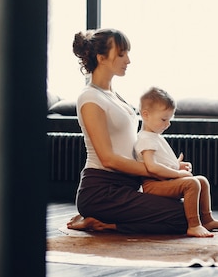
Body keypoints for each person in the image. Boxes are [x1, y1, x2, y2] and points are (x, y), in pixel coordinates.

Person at [66, 28, 188, 234]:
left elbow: (130, 147)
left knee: (194, 209)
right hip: (102, 190)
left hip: (128, 184)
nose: (128, 60)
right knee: (183, 217)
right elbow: (109, 159)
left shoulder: (114, 96)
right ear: (101, 57)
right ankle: (103, 222)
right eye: (121, 54)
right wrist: (161, 172)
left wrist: (168, 166)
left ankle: (102, 218)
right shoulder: (89, 98)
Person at [134, 86, 218, 237]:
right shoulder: (145, 138)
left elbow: (161, 161)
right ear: (145, 115)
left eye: (169, 119)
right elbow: (152, 167)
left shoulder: (154, 136)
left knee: (202, 181)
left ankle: (207, 219)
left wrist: (177, 165)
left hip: (164, 180)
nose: (168, 124)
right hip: (153, 185)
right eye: (164, 119)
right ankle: (194, 225)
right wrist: (178, 173)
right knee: (192, 183)